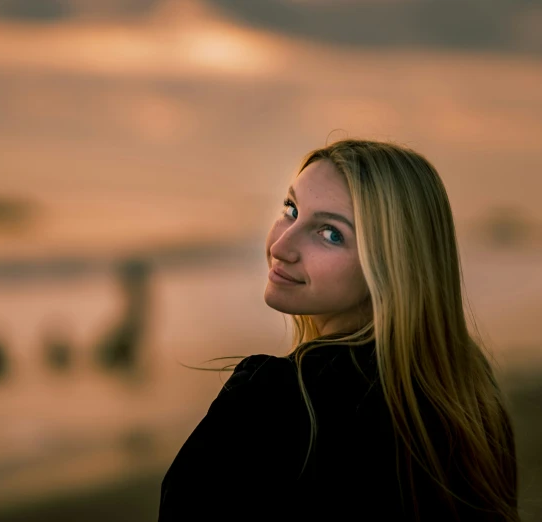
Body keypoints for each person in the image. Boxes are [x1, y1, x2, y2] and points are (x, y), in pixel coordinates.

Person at [158, 139, 519, 521]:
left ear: (390, 265)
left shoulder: (275, 400)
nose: (281, 246)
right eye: (291, 210)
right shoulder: (468, 397)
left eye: (330, 233)